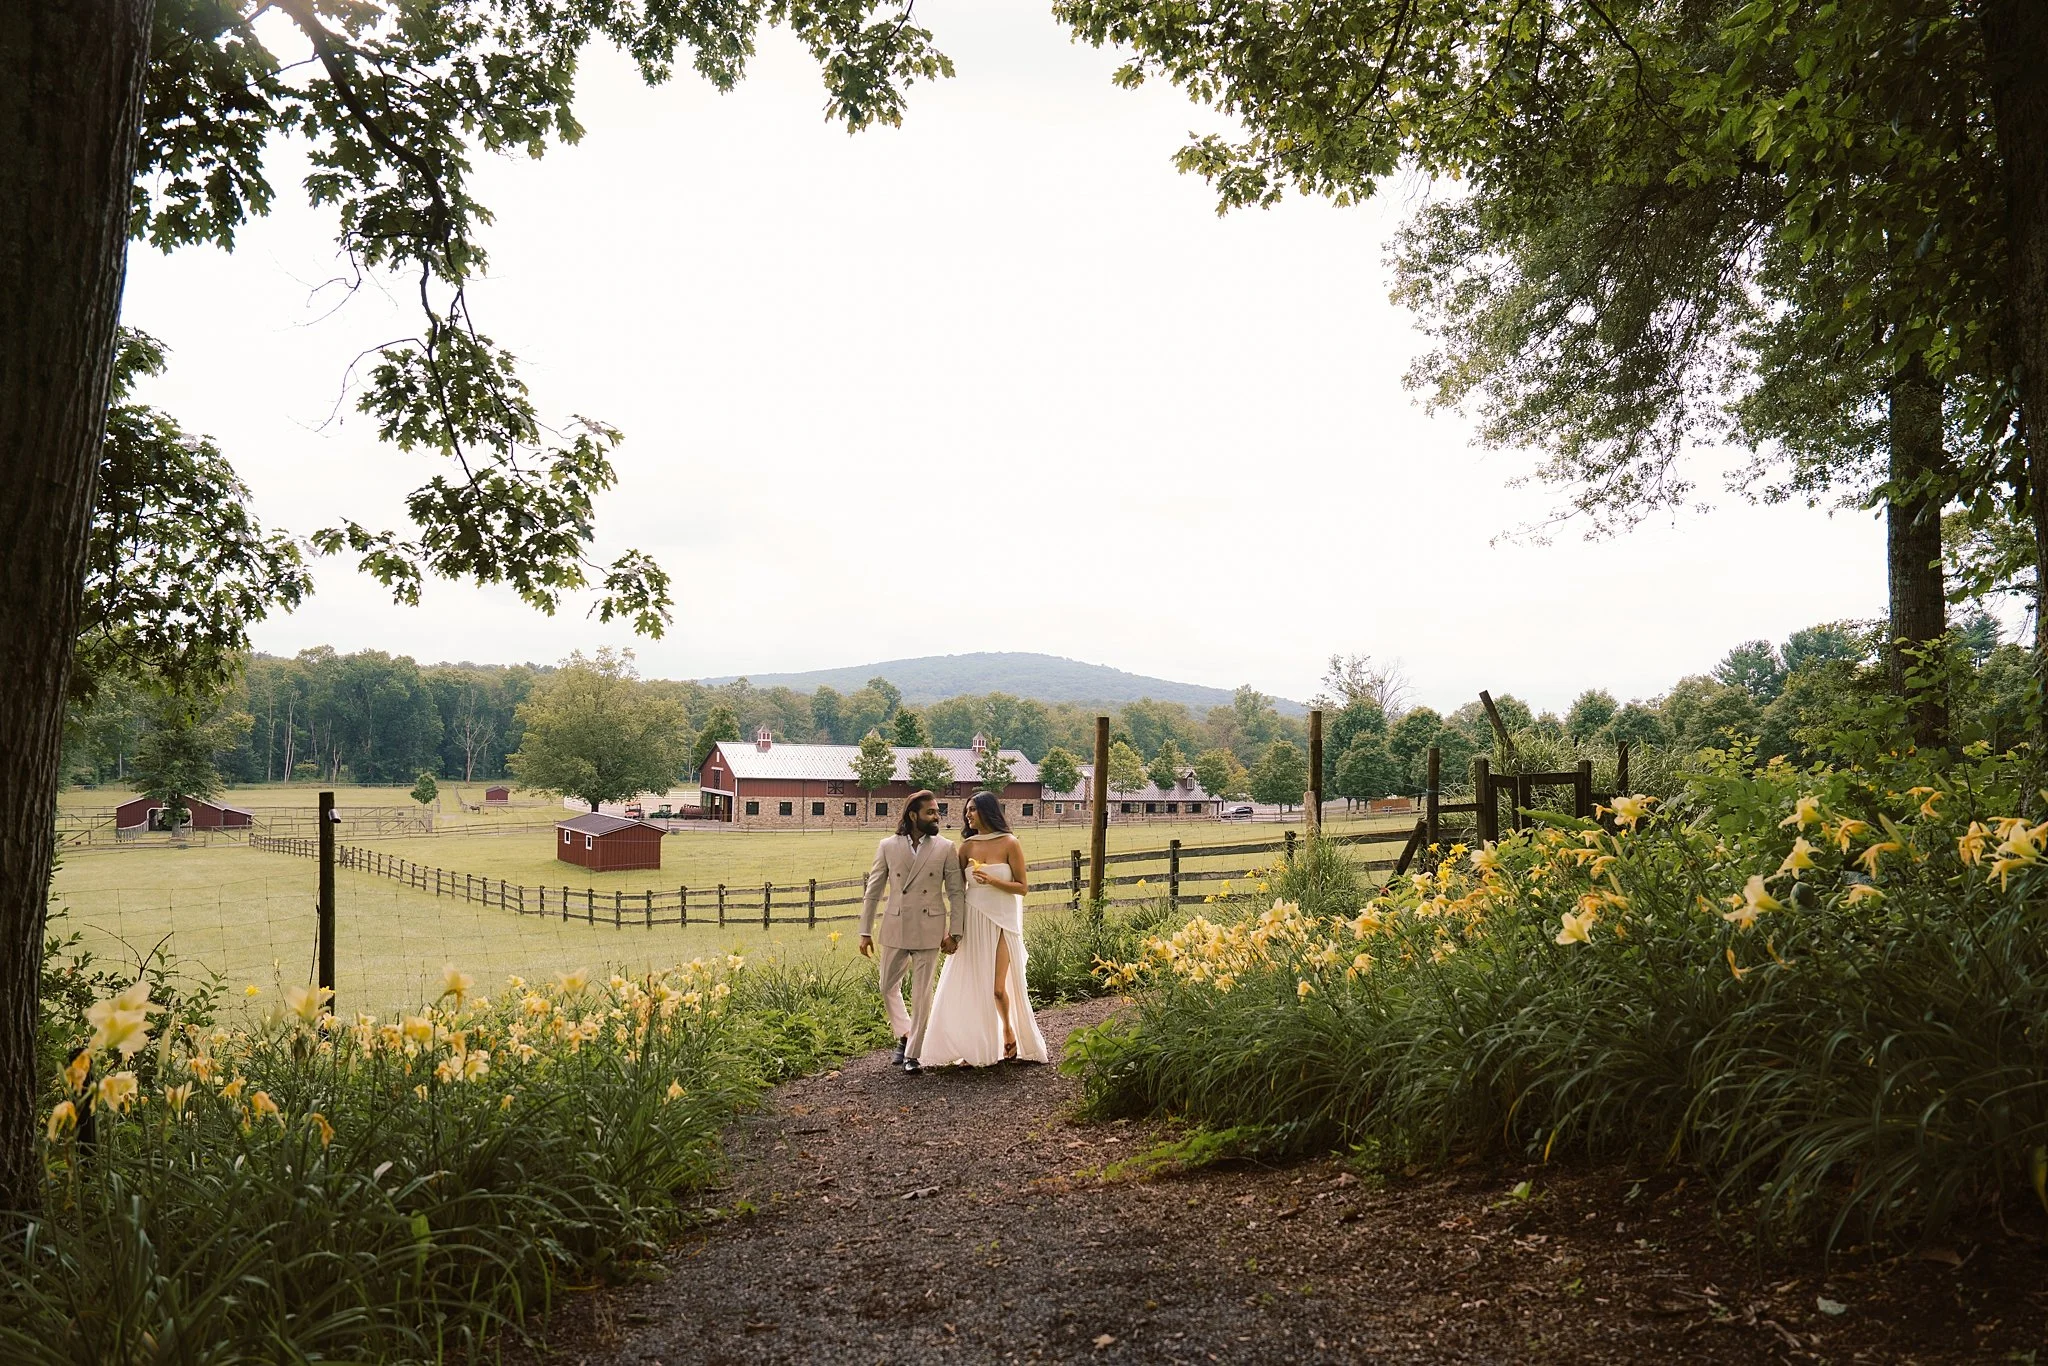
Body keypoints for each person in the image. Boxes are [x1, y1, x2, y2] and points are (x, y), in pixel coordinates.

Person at [915, 790, 1048, 1067]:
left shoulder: (1010, 843)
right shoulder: (966, 848)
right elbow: (956, 891)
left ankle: (1009, 1030)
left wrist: (991, 879)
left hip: (1003, 921)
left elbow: (1022, 888)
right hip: (973, 919)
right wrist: (952, 930)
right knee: (972, 984)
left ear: (988, 811)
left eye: (972, 809)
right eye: (967, 811)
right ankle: (973, 1047)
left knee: (998, 988)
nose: (968, 815)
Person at [858, 790, 965, 1075]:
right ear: (913, 815)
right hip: (896, 924)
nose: (936, 816)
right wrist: (864, 931)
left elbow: (956, 893)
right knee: (886, 986)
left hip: (930, 927)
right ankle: (905, 1034)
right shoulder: (887, 846)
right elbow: (874, 891)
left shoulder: (945, 847)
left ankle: (913, 1055)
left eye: (937, 811)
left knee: (921, 993)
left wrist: (955, 933)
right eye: (930, 812)